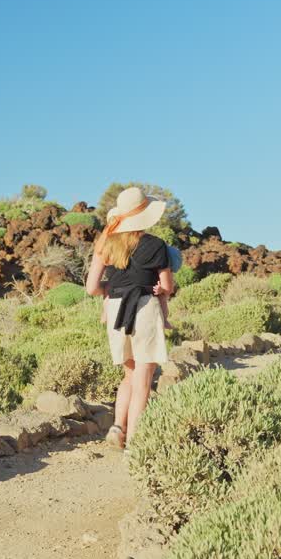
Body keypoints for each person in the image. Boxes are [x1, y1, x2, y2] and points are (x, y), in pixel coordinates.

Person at [85, 187, 175, 449]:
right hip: (144, 307)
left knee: (129, 375)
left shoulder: (105, 242)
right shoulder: (157, 245)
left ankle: (117, 428)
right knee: (144, 379)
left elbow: (91, 288)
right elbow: (167, 286)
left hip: (115, 309)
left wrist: (111, 290)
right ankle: (135, 439)